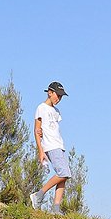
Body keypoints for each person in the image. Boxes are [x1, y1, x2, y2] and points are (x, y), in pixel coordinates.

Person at [29, 81, 70, 211]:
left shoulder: (56, 111)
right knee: (64, 172)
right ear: (49, 93)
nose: (59, 99)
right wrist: (40, 151)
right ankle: (39, 195)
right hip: (50, 145)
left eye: (61, 96)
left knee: (64, 176)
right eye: (57, 95)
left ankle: (56, 208)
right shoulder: (41, 108)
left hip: (59, 144)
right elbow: (37, 130)